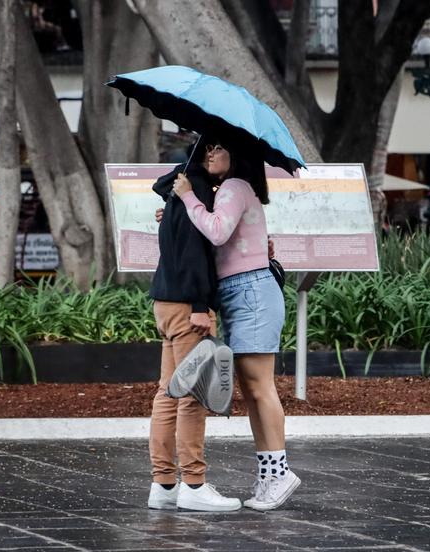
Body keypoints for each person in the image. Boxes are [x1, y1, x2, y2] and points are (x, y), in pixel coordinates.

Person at [173, 140, 298, 511]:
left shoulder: (233, 186)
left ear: (237, 153)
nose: (210, 153)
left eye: (218, 147)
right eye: (208, 148)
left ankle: (279, 472)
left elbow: (217, 231)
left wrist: (187, 198)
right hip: (244, 292)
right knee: (254, 389)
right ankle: (269, 474)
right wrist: (183, 214)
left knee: (261, 388)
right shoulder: (237, 188)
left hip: (250, 294)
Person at [146, 140, 240, 512]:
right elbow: (192, 252)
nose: (232, 161)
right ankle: (195, 484)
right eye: (228, 152)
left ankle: (164, 484)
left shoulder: (178, 189)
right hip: (188, 307)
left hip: (166, 302)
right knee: (193, 398)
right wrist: (201, 305)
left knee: (168, 394)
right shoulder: (195, 192)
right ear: (212, 152)